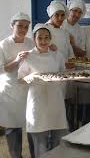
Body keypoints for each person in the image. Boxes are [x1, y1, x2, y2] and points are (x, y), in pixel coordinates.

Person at [18, 23, 68, 158]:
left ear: (50, 39)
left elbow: (64, 74)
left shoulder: (57, 55)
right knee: (40, 140)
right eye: (40, 38)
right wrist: (32, 77)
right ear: (34, 39)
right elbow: (20, 80)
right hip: (37, 100)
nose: (43, 41)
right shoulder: (28, 56)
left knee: (58, 138)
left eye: (46, 38)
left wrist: (60, 79)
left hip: (55, 99)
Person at [0, 12, 35, 158]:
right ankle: (16, 156)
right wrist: (16, 60)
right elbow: (2, 68)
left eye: (26, 27)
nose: (23, 29)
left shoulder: (30, 42)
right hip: (10, 90)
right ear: (12, 25)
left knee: (32, 124)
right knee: (13, 126)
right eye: (19, 26)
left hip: (28, 88)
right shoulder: (3, 44)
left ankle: (36, 154)